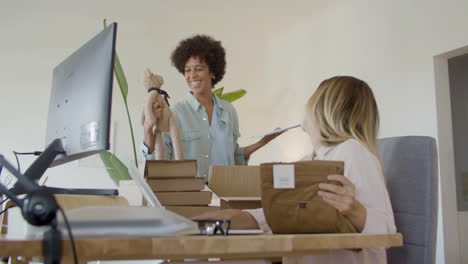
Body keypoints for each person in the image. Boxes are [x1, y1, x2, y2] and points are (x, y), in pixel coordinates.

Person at [193, 76, 396, 264]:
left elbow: (387, 232)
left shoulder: (352, 151)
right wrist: (207, 224)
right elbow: (275, 218)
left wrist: (355, 211)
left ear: (323, 108)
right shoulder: (310, 162)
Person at [142, 35, 281, 181]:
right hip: (192, 195)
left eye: (199, 69)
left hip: (226, 191)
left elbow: (235, 157)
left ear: (213, 71)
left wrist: (262, 143)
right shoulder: (175, 113)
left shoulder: (229, 111)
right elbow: (159, 157)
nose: (192, 76)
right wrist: (147, 129)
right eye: (187, 70)